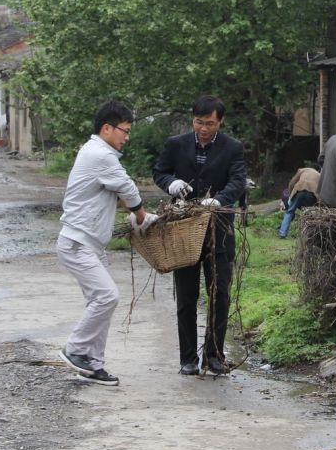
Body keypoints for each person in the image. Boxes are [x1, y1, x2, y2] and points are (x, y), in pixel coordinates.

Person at [56, 100, 155, 387]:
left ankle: (93, 364)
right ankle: (75, 349)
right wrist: (140, 216)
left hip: (90, 243)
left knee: (100, 301)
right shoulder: (102, 154)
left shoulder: (95, 152)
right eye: (124, 130)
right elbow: (128, 188)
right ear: (107, 128)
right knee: (107, 297)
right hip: (77, 242)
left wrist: (135, 211)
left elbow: (117, 193)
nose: (127, 136)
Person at [153, 95, 247, 376]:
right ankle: (188, 358)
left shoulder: (233, 147)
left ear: (220, 121)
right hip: (184, 231)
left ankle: (214, 355)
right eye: (198, 122)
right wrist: (171, 183)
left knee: (219, 295)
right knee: (186, 296)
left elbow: (238, 181)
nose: (203, 129)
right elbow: (159, 171)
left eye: (209, 123)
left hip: (219, 231)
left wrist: (219, 200)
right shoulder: (176, 144)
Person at [279, 163, 319, 239]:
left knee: (290, 211)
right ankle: (309, 235)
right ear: (317, 169)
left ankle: (282, 233)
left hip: (299, 192)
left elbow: (292, 183)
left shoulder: (302, 170)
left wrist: (291, 195)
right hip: (311, 195)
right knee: (310, 214)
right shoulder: (319, 175)